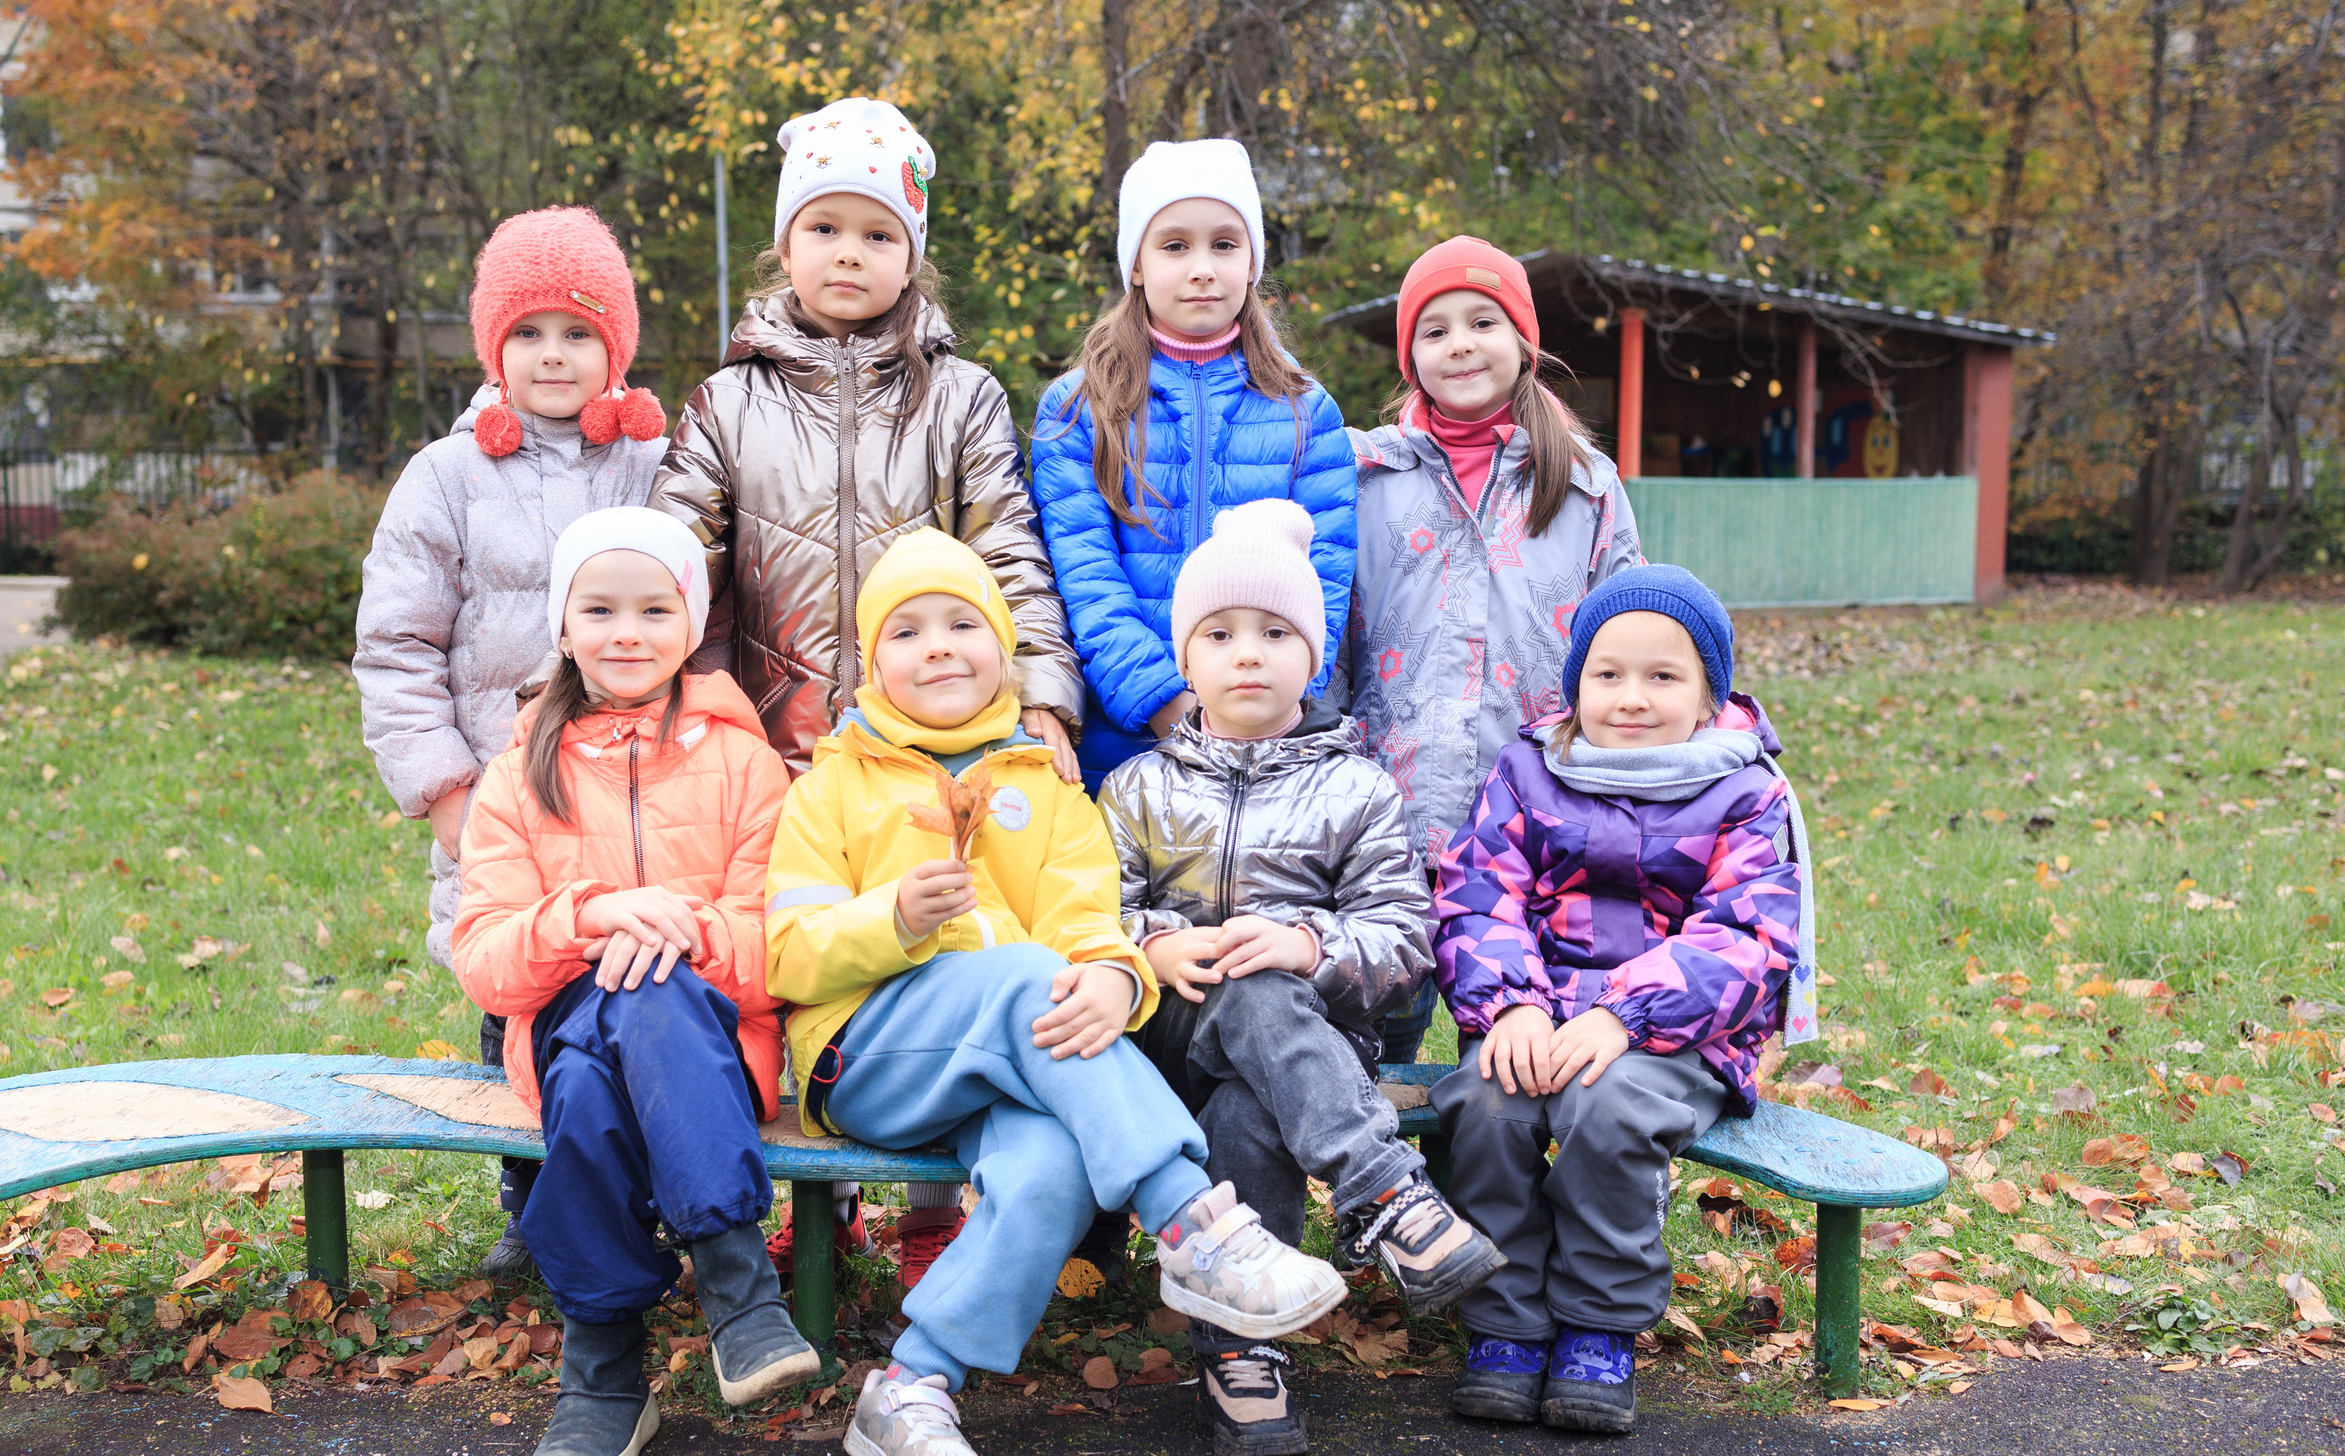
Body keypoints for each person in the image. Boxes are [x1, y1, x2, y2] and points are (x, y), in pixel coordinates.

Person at [763, 530, 1348, 1456]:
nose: (938, 646)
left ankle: (911, 1388)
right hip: (864, 1059)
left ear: (1004, 647)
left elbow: (1085, 925)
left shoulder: (1049, 785)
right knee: (1024, 972)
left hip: (1009, 1063)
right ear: (871, 663)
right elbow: (786, 952)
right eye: (907, 631)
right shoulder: (832, 786)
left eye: (963, 624)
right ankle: (1194, 1223)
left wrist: (1117, 977)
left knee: (1051, 1165)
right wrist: (893, 919)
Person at [650, 96, 1080, 1288]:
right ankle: (819, 1200)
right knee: (813, 960)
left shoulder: (961, 398)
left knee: (941, 943)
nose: (850, 254)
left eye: (878, 234)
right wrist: (672, 703)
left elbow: (1007, 550)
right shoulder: (727, 404)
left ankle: (935, 1205)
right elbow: (678, 562)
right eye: (825, 229)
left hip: (930, 743)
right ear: (785, 245)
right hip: (776, 741)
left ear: (912, 255)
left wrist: (1042, 693)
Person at [1099, 499, 1505, 1456]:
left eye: (1276, 633)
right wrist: (1152, 948)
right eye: (1221, 633)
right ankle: (1386, 1194)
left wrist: (1307, 945)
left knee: (1250, 1094)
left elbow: (1404, 939)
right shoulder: (1138, 788)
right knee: (1240, 988)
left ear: (1313, 656)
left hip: (1307, 1059)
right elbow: (1081, 915)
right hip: (1159, 1040)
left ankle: (1243, 1350)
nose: (1249, 653)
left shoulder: (1356, 789)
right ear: (1185, 657)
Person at [451, 507, 807, 1456]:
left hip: (714, 1044)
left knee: (621, 1039)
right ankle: (737, 1287)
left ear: (690, 625)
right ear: (563, 628)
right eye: (599, 609)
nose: (626, 632)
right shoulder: (518, 775)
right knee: (604, 1039)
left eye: (654, 609)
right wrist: (595, 916)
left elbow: (778, 950)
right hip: (567, 1019)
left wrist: (674, 930)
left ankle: (602, 1367)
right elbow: (484, 959)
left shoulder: (746, 765)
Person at [354, 205, 670, 1277]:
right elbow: (396, 646)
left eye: (579, 332)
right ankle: (527, 1204)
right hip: (506, 800)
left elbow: (701, 614)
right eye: (528, 332)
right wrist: (446, 789)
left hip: (636, 795)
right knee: (521, 995)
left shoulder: (654, 466)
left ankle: (637, 1197)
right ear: (495, 345)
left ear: (615, 345)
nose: (553, 355)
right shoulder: (446, 478)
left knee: (632, 988)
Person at [1429, 566, 1815, 1435]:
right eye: (1608, 674)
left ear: (1710, 693)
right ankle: (1506, 1323)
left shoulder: (1745, 791)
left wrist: (1625, 1013)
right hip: (1535, 1010)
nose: (1632, 696)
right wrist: (1512, 1006)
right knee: (1487, 1102)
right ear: (1576, 685)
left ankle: (1598, 1324)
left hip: (1675, 1035)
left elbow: (1745, 937)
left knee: (1608, 1109)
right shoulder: (1529, 771)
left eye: (1663, 675)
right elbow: (1478, 893)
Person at [1339, 237, 1645, 1064]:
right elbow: (1327, 634)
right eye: (1434, 330)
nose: (1460, 344)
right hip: (1388, 817)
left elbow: (1628, 638)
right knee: (1375, 1051)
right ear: (1410, 356)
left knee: (1514, 1058)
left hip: (1533, 822)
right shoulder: (1365, 477)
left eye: (1483, 321)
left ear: (1524, 341)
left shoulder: (1584, 485)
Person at [1030, 137, 1356, 782]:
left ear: (1253, 262)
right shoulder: (1077, 409)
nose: (1202, 268)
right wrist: (1165, 705)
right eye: (1175, 246)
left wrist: (1267, 704)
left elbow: (1325, 574)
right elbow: (1083, 571)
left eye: (1225, 245)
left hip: (1266, 738)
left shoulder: (1306, 412)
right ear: (1137, 265)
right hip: (1121, 740)